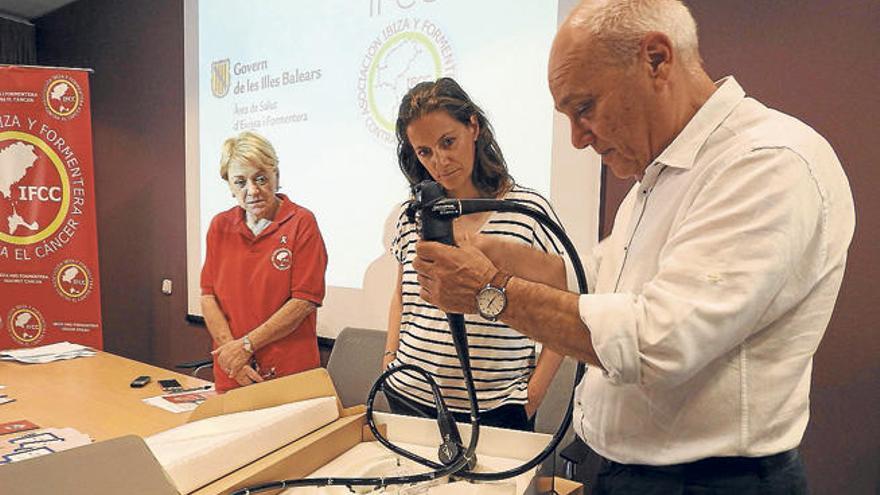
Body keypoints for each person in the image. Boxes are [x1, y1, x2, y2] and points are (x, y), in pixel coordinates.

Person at [411, 1, 855, 493]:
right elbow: (602, 287)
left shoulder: (767, 163)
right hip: (629, 471)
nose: (579, 139)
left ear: (657, 60)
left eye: (585, 108)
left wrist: (489, 293)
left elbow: (655, 343)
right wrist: (517, 261)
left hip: (708, 482)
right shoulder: (657, 177)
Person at [382, 77, 566, 432]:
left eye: (448, 142)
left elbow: (566, 306)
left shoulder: (528, 211)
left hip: (496, 407)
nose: (440, 161)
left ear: (474, 126)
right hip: (409, 395)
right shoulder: (412, 213)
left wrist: (534, 395)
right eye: (425, 152)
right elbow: (401, 295)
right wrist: (389, 361)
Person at [201, 130, 328, 393]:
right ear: (229, 185)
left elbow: (304, 301)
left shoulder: (301, 222)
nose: (252, 191)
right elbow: (208, 296)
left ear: (276, 176)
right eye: (240, 182)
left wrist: (246, 345)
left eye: (261, 178)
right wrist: (232, 355)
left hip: (288, 374)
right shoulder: (219, 226)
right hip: (234, 371)